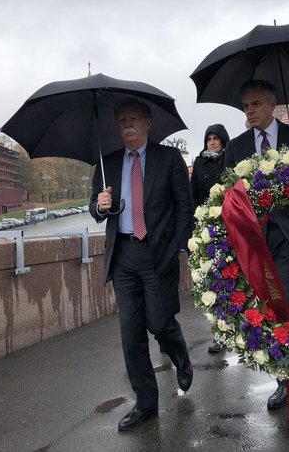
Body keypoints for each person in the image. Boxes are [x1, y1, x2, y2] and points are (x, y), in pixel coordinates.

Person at [89, 98, 194, 432]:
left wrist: (177, 245)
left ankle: (179, 353)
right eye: (121, 120)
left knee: (160, 322)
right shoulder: (107, 164)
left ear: (148, 123)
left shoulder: (169, 158)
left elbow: (184, 205)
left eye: (133, 119)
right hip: (123, 257)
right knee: (131, 334)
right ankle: (146, 404)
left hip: (158, 254)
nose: (127, 126)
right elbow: (95, 209)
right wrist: (100, 205)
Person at [224, 79, 289, 424]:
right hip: (255, 238)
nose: (250, 111)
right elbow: (228, 192)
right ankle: (286, 377)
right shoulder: (236, 147)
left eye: (256, 104)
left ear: (273, 105)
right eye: (245, 106)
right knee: (269, 306)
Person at [190, 123, 230, 353]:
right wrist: (199, 221)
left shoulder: (230, 159)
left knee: (232, 281)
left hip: (230, 227)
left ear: (223, 140)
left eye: (216, 138)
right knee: (212, 283)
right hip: (207, 230)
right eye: (209, 139)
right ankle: (219, 333)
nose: (212, 142)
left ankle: (238, 329)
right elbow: (193, 193)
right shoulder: (200, 162)